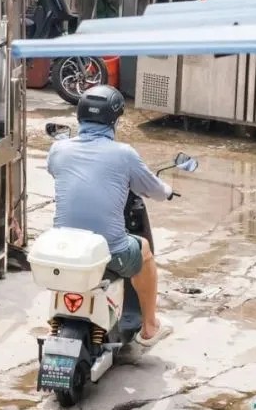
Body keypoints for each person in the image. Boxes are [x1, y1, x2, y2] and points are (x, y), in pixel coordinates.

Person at [46, 84, 174, 347]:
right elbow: (155, 191)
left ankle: (58, 322)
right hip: (110, 251)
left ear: (79, 117)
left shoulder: (59, 150)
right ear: (115, 120)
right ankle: (150, 327)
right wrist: (168, 191)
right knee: (144, 249)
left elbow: (56, 172)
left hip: (60, 248)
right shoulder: (124, 154)